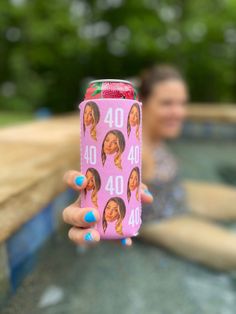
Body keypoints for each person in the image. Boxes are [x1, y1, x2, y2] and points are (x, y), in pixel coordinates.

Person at [63, 65, 236, 270]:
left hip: (179, 193)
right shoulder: (132, 146)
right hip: (162, 220)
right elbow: (105, 169)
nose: (178, 112)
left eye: (181, 103)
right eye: (166, 103)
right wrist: (85, 201)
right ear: (142, 104)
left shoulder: (155, 132)